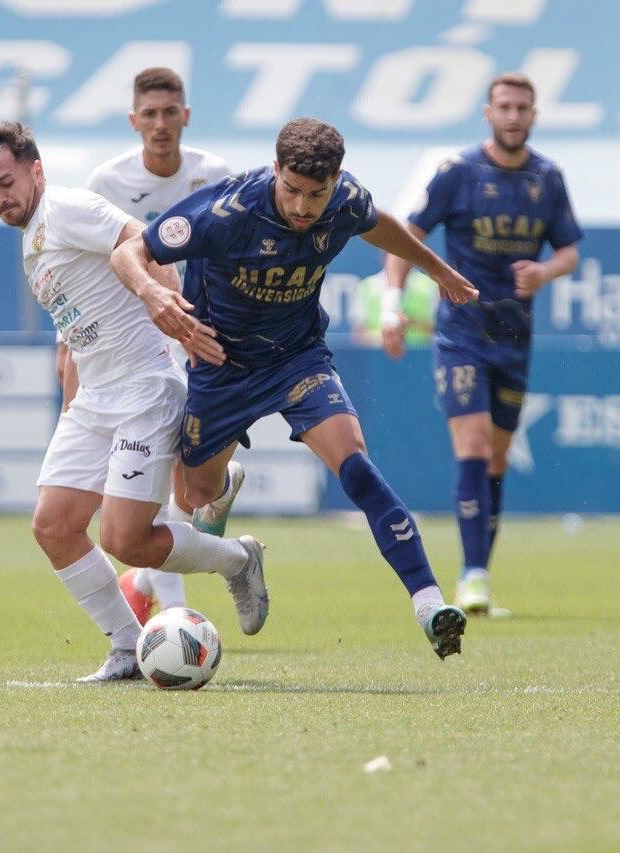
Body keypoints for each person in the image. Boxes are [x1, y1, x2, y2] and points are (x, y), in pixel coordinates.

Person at [112, 117, 479, 659]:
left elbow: (378, 224)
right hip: (222, 366)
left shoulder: (345, 200)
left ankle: (428, 603)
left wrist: (436, 270)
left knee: (355, 462)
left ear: (334, 183)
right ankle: (233, 540)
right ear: (275, 169)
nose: (305, 208)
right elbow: (129, 254)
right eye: (293, 191)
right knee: (193, 498)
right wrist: (157, 300)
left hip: (296, 359)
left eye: (317, 194)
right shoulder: (224, 212)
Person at [0, 120, 268, 683]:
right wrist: (69, 413)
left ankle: (238, 560)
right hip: (95, 400)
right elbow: (76, 337)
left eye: (6, 182)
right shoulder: (33, 243)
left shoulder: (68, 208)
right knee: (53, 526)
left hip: (145, 387)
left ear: (36, 170)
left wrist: (174, 314)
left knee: (126, 540)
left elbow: (145, 244)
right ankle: (127, 647)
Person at [380, 73, 582, 617]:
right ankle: (473, 577)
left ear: (534, 115)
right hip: (461, 333)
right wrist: (391, 305)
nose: (514, 116)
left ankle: (480, 574)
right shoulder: (459, 174)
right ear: (488, 114)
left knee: (496, 458)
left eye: (523, 108)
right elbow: (404, 238)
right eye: (504, 107)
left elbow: (570, 251)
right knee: (470, 445)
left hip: (515, 337)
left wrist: (544, 272)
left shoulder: (548, 178)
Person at [79, 67, 236, 624]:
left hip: (204, 334)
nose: (161, 124)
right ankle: (174, 616)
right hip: (137, 341)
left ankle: (153, 582)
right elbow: (89, 271)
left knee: (188, 494)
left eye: (171, 112)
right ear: (133, 120)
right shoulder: (106, 182)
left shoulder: (215, 174)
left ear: (186, 116)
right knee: (165, 489)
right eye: (150, 114)